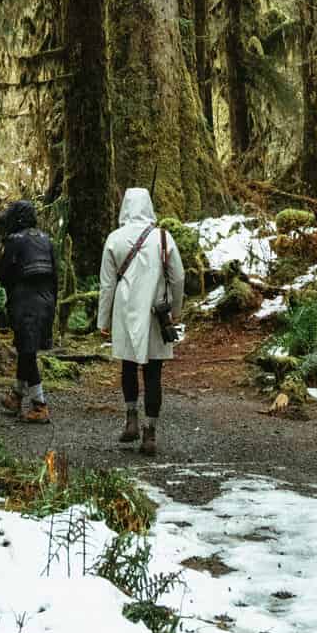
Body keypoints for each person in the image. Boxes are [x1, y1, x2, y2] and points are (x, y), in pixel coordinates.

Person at [96, 186, 186, 457]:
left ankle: (131, 419)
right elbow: (178, 277)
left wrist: (104, 319)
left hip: (124, 311)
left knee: (128, 365)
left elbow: (107, 284)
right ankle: (150, 432)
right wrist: (176, 311)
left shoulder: (114, 238)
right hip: (155, 313)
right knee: (153, 372)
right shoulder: (163, 237)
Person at [0, 198, 57, 424]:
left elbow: (3, 273)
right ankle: (16, 395)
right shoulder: (46, 240)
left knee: (28, 352)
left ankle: (40, 405)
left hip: (24, 301)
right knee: (25, 349)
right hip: (46, 300)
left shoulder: (14, 240)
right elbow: (56, 276)